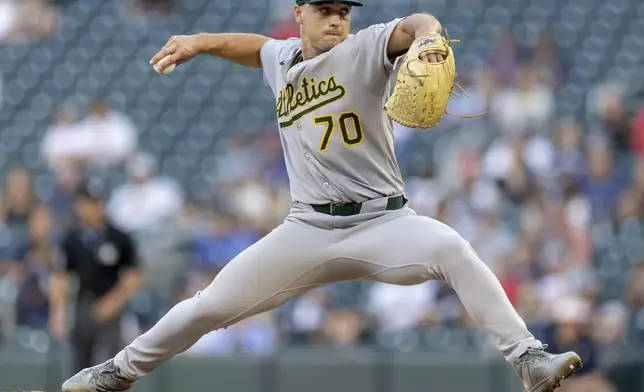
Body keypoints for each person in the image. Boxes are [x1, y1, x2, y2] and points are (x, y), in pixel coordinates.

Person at [61, 1, 582, 392]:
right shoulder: (283, 57)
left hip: (385, 224)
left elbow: (415, 23)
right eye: (325, 11)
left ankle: (528, 358)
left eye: (342, 11)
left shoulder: (365, 47)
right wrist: (199, 41)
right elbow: (254, 46)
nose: (336, 20)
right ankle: (118, 371)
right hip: (306, 229)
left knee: (452, 249)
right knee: (209, 305)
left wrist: (429, 35)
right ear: (300, 15)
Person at [50, 182, 143, 373]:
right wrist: (58, 312)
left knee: (113, 366)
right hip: (82, 307)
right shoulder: (72, 238)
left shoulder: (118, 237)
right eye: (86, 202)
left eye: (95, 202)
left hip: (111, 310)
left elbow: (135, 276)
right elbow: (61, 276)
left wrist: (113, 302)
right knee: (80, 365)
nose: (92, 207)